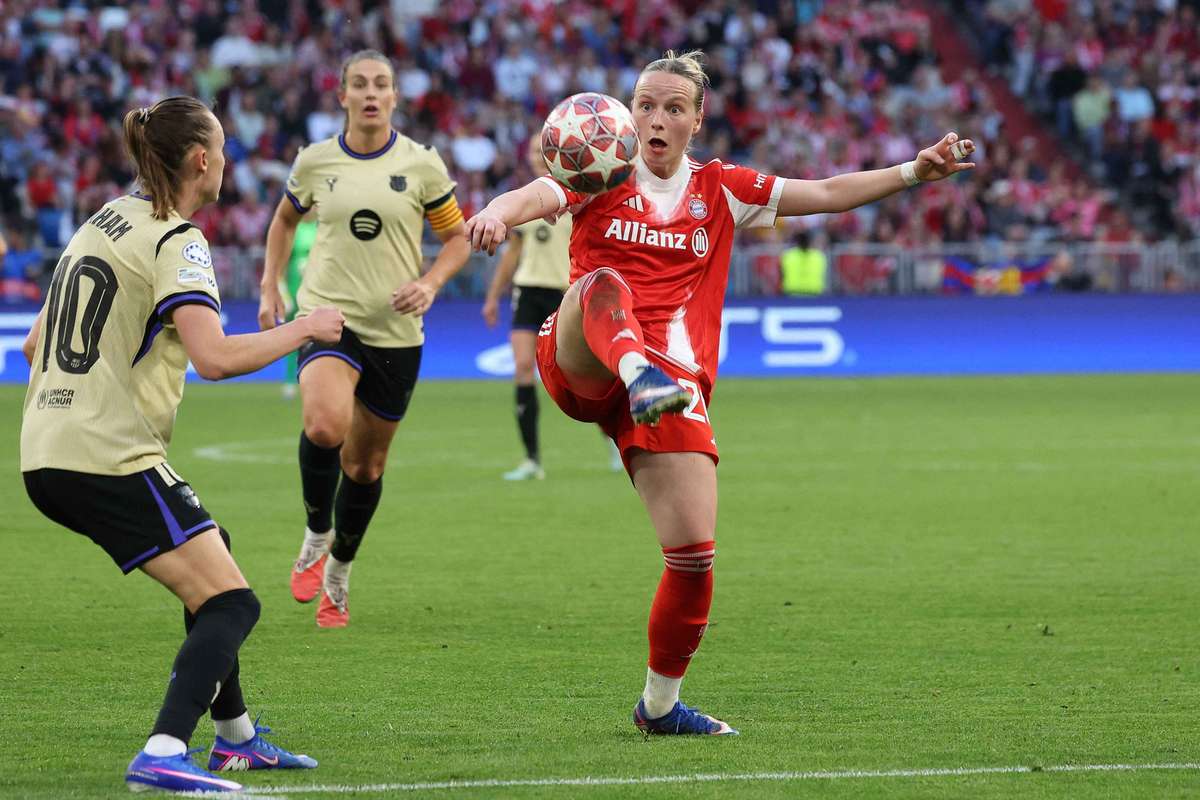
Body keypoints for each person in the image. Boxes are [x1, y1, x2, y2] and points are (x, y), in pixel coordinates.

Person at [466, 50, 974, 736]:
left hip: (670, 389)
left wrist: (915, 170)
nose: (656, 118)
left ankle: (659, 707)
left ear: (696, 120)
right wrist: (495, 213)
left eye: (674, 107)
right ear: (630, 112)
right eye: (646, 104)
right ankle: (636, 370)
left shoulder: (723, 187)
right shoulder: (601, 168)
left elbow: (821, 193)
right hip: (585, 357)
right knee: (600, 285)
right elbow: (534, 195)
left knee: (694, 556)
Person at [20, 96, 344, 793]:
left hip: (44, 446)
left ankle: (236, 739)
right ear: (202, 160)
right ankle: (164, 749)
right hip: (103, 453)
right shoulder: (178, 238)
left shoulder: (99, 221)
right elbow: (215, 358)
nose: (226, 161)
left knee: (212, 544)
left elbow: (30, 344)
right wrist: (306, 328)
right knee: (234, 604)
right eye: (222, 149)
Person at [259, 50, 470, 628]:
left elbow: (457, 240)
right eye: (360, 84)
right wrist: (270, 283)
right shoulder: (315, 161)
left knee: (367, 467)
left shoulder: (423, 165)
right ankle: (315, 532)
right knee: (325, 424)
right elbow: (282, 220)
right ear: (343, 95)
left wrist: (430, 283)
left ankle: (340, 573)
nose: (371, 93)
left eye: (381, 84)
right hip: (330, 317)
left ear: (396, 96)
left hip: (397, 333)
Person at [481, 137, 621, 479]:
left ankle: (614, 441)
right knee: (524, 368)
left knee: (588, 373)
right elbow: (512, 254)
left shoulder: (581, 192)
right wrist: (492, 296)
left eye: (539, 152)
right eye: (530, 153)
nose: (535, 158)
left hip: (567, 292)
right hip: (529, 291)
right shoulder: (526, 201)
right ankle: (532, 460)